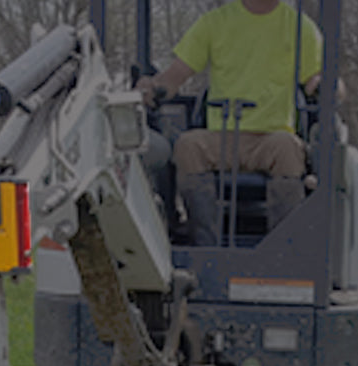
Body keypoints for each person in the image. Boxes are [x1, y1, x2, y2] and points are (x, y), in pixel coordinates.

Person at [136, 0, 325, 245]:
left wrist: (327, 85)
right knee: (188, 146)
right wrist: (152, 88)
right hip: (221, 138)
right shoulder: (214, 23)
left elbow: (316, 78)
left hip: (271, 138)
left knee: (288, 148)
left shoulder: (300, 27)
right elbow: (176, 76)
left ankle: (283, 245)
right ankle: (203, 243)